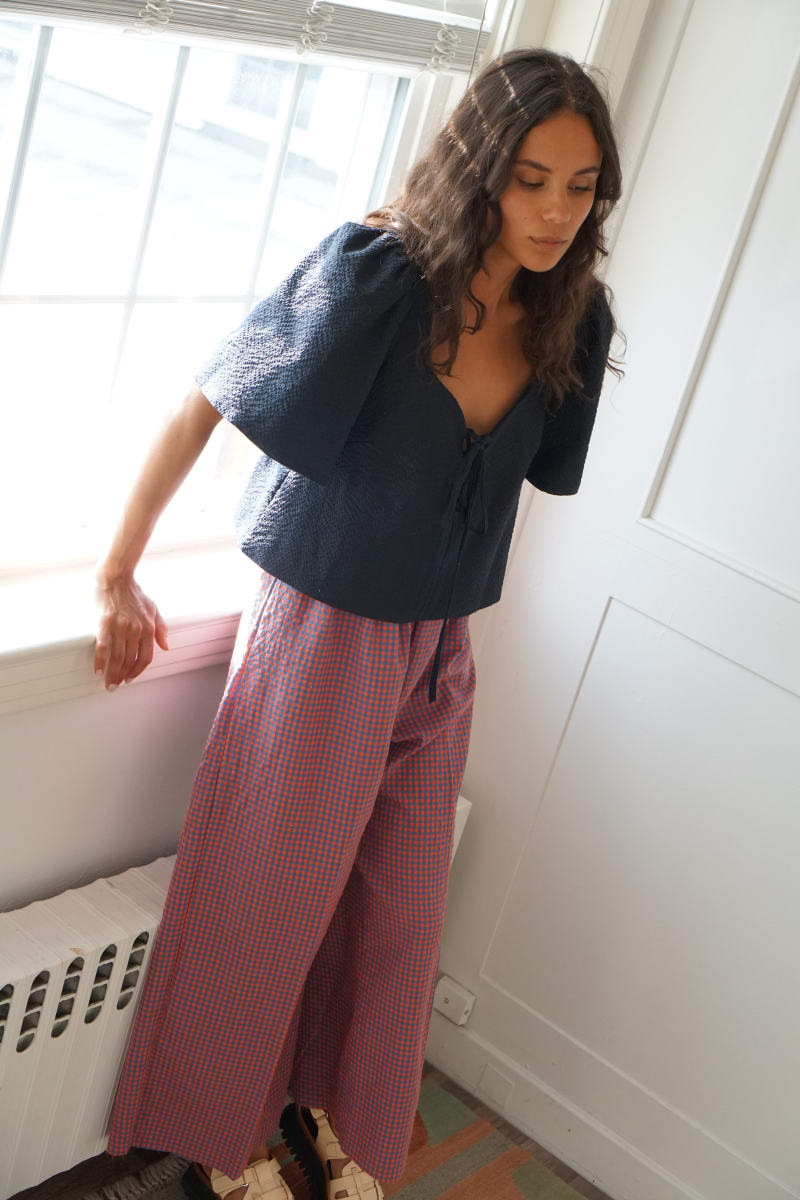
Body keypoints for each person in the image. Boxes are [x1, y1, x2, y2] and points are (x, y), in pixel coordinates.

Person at [97, 45, 623, 1200]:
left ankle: (335, 1112)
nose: (553, 211)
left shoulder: (571, 319)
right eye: (530, 179)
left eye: (579, 187)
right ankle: (221, 1141)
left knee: (400, 913)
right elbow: (208, 400)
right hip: (324, 630)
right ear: (481, 169)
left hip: (441, 645)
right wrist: (117, 568)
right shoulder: (380, 278)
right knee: (268, 898)